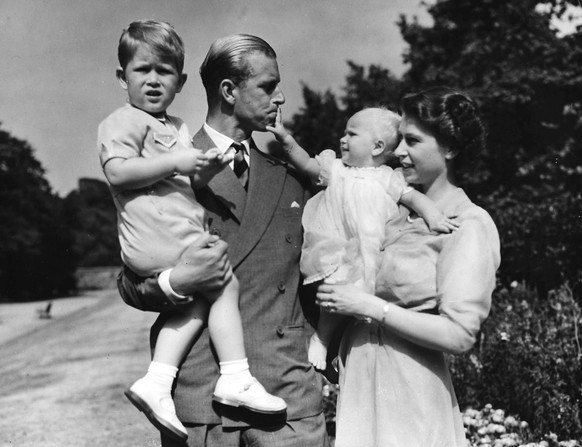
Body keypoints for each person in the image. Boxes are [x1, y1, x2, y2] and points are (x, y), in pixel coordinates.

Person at [116, 33, 329, 447]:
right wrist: (175, 282)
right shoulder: (159, 166)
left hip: (287, 399)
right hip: (202, 404)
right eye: (269, 86)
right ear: (229, 91)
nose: (281, 97)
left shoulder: (291, 177)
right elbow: (129, 280)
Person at [315, 87, 501, 447]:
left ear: (450, 148)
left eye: (412, 141)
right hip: (359, 391)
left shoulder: (468, 223)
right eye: (399, 139)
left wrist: (372, 307)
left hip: (412, 400)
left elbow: (459, 334)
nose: (398, 152)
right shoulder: (392, 214)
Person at [267, 107, 458, 371]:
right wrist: (286, 140)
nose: (342, 139)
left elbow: (414, 198)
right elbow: (308, 164)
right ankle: (322, 338)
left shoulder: (388, 178)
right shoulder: (336, 169)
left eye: (351, 134)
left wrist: (433, 215)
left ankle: (343, 351)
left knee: (362, 305)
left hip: (373, 252)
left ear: (377, 146)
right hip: (338, 247)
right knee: (336, 295)